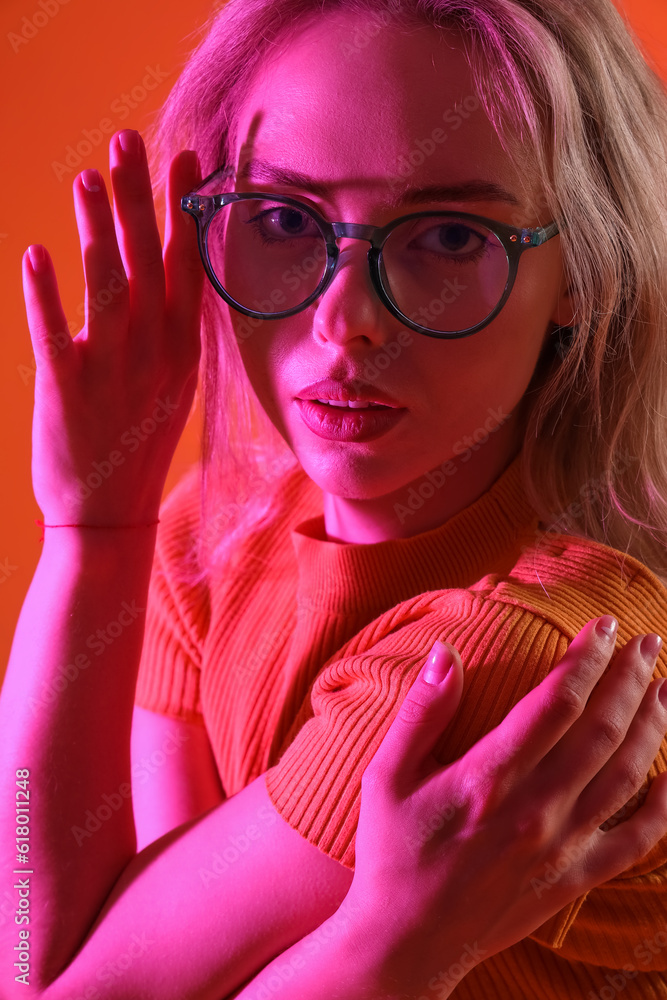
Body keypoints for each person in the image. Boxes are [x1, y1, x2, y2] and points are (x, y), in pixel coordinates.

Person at [1, 0, 667, 997]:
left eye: (446, 235)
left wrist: (382, 955)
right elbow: (64, 953)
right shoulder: (215, 533)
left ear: (580, 267)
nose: (344, 318)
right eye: (282, 219)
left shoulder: (509, 659)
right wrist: (96, 519)